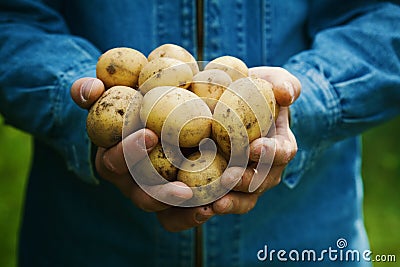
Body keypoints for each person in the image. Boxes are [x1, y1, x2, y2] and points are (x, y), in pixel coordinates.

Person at [1, 0, 399, 266]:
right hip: (86, 241)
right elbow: (13, 17)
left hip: (304, 241)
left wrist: (307, 102)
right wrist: (79, 105)